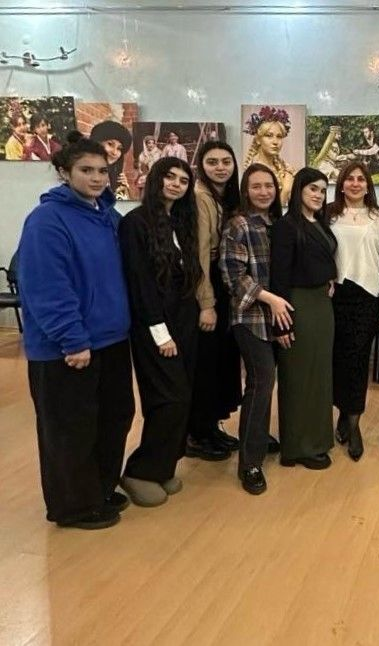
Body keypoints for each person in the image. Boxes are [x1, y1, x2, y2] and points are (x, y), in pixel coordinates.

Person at [17, 132, 135, 530]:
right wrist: (72, 338)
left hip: (112, 339)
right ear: (64, 173)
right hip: (68, 348)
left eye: (102, 170)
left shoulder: (108, 217)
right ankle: (74, 506)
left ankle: (99, 488)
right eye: (87, 170)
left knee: (114, 418)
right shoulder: (47, 221)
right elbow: (47, 287)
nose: (97, 178)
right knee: (71, 429)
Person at [119, 157, 202, 507]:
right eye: (170, 177)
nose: (176, 184)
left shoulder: (181, 221)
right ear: (156, 179)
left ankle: (163, 467)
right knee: (169, 398)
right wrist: (160, 332)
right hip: (155, 324)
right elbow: (140, 283)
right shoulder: (135, 223)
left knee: (184, 398)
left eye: (183, 180)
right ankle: (139, 471)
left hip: (184, 320)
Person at [221, 164, 294, 494]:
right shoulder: (238, 225)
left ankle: (260, 437)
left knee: (269, 382)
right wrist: (271, 299)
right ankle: (250, 463)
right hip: (250, 318)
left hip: (277, 317)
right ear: (246, 190)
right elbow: (233, 277)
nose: (264, 192)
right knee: (261, 382)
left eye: (269, 186)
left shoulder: (278, 224)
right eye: (256, 186)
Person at [270, 167, 338, 470]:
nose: (318, 195)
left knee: (319, 375)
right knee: (299, 376)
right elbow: (279, 276)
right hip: (298, 305)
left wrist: (330, 277)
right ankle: (297, 447)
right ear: (298, 190)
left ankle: (317, 440)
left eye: (323, 190)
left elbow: (321, 257)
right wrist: (281, 323)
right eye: (313, 189)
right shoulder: (286, 227)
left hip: (322, 305)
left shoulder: (319, 222)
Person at [184, 141, 245, 461]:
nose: (220, 167)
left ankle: (211, 427)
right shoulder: (199, 197)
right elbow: (198, 256)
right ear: (201, 165)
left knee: (221, 362)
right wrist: (206, 303)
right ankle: (197, 434)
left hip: (223, 286)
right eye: (212, 162)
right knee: (205, 365)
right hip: (206, 286)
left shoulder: (223, 197)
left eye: (225, 161)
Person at [328, 162, 379, 461]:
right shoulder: (328, 214)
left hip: (367, 296)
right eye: (349, 179)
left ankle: (354, 425)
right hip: (334, 295)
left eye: (360, 179)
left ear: (368, 185)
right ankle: (342, 413)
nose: (355, 183)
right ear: (341, 184)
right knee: (337, 360)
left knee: (358, 361)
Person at [243, 106, 296, 205]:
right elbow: (264, 210)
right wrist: (286, 190)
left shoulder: (285, 167)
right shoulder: (254, 171)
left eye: (279, 136)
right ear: (258, 139)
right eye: (269, 136)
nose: (275, 142)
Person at [90, 120, 133, 200]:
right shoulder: (83, 176)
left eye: (119, 148)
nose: (114, 152)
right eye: (110, 144)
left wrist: (125, 189)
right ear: (97, 143)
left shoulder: (117, 177)